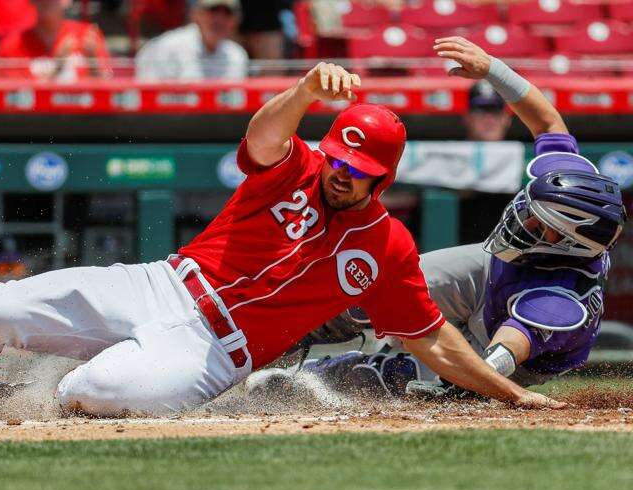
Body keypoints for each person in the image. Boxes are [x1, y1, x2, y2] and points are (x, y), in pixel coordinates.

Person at [0, 56, 562, 417]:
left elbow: (432, 338)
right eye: (341, 159)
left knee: (94, 389)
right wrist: (307, 92)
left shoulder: (387, 246)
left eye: (360, 170)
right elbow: (263, 134)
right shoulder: (295, 164)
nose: (344, 174)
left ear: (384, 175)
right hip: (161, 281)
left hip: (216, 349)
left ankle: (18, 399)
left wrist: (511, 393)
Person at [246, 37, 627, 401]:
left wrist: (464, 382)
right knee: (372, 291)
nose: (524, 221)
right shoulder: (569, 182)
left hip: (508, 342)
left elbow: (506, 350)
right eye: (532, 213)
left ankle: (316, 379)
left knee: (402, 378)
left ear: (571, 244)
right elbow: (547, 123)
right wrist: (492, 68)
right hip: (492, 270)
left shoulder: (559, 300)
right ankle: (269, 339)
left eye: (540, 226)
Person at [0, 0, 111, 82]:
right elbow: (16, 100)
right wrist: (56, 69)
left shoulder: (88, 35)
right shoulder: (12, 44)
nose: (46, 2)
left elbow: (109, 91)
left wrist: (93, 65)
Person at [135, 0, 248, 81]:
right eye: (213, 11)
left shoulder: (237, 55)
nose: (219, 20)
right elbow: (149, 94)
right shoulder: (168, 46)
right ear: (196, 14)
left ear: (235, 21)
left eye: (227, 13)